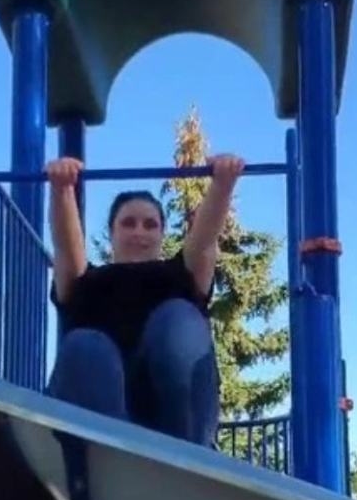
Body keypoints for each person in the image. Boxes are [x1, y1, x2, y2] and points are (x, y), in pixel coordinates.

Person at [42, 153, 246, 446]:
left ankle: (189, 454)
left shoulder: (180, 276)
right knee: (84, 346)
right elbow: (65, 245)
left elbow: (203, 242)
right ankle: (106, 458)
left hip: (172, 419)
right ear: (111, 233)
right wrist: (61, 189)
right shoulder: (87, 284)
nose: (139, 232)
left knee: (179, 319)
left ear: (163, 234)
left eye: (150, 225)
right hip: (100, 412)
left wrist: (223, 184)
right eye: (129, 223)